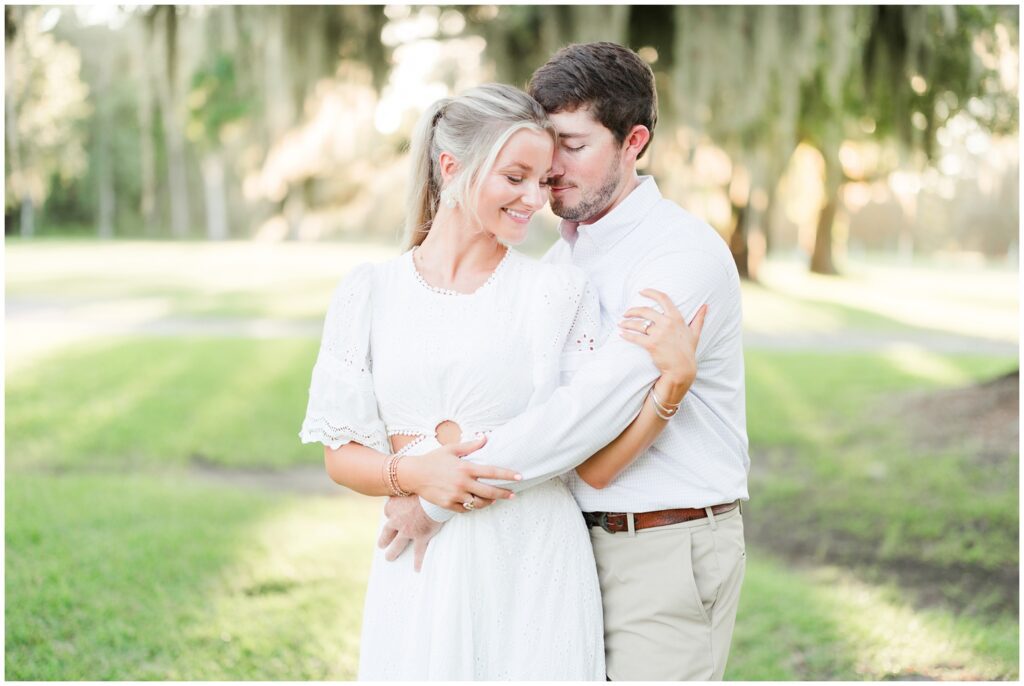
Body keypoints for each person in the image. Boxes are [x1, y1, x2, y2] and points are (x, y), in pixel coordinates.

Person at [299, 83, 705, 680]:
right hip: (418, 567)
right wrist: (414, 475)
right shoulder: (369, 292)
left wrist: (671, 389)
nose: (533, 199)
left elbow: (586, 451)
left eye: (542, 181)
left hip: (533, 563)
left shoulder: (556, 293)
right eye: (515, 177)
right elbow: (341, 455)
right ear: (451, 166)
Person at [380, 43, 749, 681]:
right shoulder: (559, 262)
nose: (551, 169)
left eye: (573, 146)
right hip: (561, 549)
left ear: (634, 142)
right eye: (547, 145)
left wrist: (437, 494)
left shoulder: (678, 257)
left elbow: (584, 415)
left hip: (661, 547)